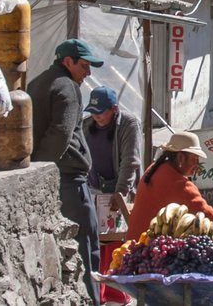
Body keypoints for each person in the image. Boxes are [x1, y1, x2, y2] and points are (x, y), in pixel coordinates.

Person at [28, 38, 104, 306]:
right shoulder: (68, 87)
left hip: (52, 176)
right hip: (69, 179)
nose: (88, 73)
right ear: (67, 61)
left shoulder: (36, 83)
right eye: (84, 66)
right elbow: (61, 133)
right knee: (86, 246)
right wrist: (45, 168)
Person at [82, 86, 144, 306]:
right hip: (95, 191)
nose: (96, 116)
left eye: (101, 112)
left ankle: (118, 294)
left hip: (119, 190)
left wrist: (120, 195)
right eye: (93, 111)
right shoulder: (87, 125)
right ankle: (100, 292)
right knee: (97, 241)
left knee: (117, 242)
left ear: (114, 109)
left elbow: (130, 162)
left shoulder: (128, 124)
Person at [125, 132, 213, 241]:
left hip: (133, 242)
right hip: (146, 247)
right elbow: (205, 212)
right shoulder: (176, 183)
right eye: (194, 159)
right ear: (180, 158)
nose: (198, 164)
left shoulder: (155, 168)